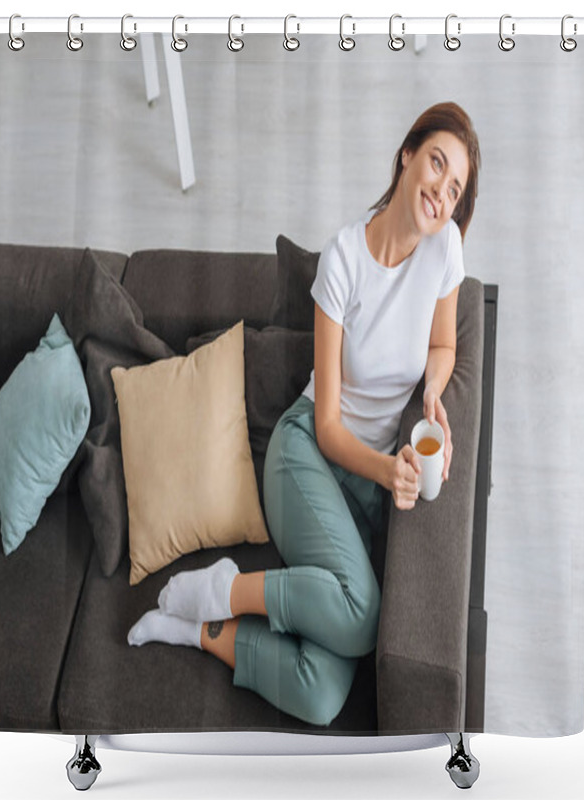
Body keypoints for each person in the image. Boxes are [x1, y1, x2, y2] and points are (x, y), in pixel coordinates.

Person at [128, 101, 480, 727]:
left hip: (363, 482)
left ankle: (201, 631)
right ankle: (222, 589)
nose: (441, 192)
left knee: (321, 697)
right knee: (363, 616)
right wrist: (387, 472)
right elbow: (327, 426)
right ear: (407, 154)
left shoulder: (444, 248)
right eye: (436, 164)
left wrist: (432, 392)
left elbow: (444, 346)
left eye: (455, 188)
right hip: (307, 455)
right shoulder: (343, 259)